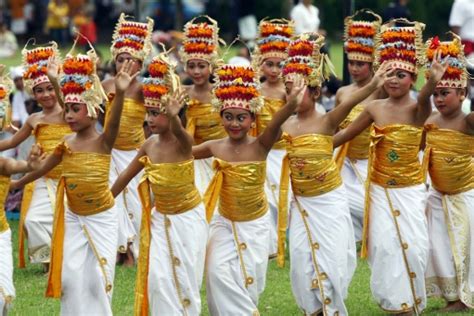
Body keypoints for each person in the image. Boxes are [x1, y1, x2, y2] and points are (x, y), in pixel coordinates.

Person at [333, 19, 444, 314]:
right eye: (389, 74)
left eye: (401, 75)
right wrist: (314, 145)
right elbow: (344, 135)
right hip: (380, 190)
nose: (394, 80)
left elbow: (425, 98)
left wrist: (433, 80)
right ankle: (397, 305)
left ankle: (413, 299)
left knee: (415, 246)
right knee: (384, 248)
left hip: (409, 190)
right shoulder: (374, 108)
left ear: (412, 77)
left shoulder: (418, 109)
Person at [279, 32, 393, 315]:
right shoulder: (284, 125)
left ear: (316, 92)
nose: (292, 95)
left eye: (299, 89)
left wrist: (375, 84)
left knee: (332, 258)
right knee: (303, 258)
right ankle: (314, 308)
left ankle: (331, 304)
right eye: (287, 89)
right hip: (302, 203)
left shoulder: (328, 120)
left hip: (329, 200)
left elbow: (351, 104)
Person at [26, 44, 137, 315]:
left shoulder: (103, 141)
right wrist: (15, 184)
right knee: (71, 278)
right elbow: (73, 107)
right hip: (74, 214)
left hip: (102, 217)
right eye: (68, 110)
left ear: (93, 111)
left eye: (76, 110)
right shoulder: (68, 138)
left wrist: (120, 94)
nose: (69, 115)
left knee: (98, 280)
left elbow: (111, 120)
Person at [193, 61, 304, 315]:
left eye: (241, 118)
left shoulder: (260, 145)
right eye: (229, 117)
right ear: (220, 116)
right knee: (216, 271)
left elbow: (275, 124)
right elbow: (182, 154)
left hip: (255, 225)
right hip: (224, 222)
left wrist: (291, 106)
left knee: (249, 281)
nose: (235, 124)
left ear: (252, 118)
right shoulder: (213, 146)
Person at [112, 53, 208, 315]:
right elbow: (126, 176)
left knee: (186, 280)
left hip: (188, 220)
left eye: (157, 114)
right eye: (149, 113)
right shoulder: (148, 145)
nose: (151, 119)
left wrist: (175, 118)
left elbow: (184, 139)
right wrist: (106, 199)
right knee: (158, 278)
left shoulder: (182, 142)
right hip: (159, 219)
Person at [1, 42, 71, 270]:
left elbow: (66, 101)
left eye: (49, 89)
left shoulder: (68, 113)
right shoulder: (34, 119)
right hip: (44, 177)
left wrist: (55, 80)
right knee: (33, 220)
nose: (46, 94)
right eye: (39, 90)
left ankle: (67, 258)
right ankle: (49, 261)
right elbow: (12, 142)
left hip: (71, 176)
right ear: (33, 93)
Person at [423, 34, 474, 313]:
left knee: (466, 248)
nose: (440, 99)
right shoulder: (429, 121)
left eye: (446, 93)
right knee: (439, 248)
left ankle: (465, 298)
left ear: (463, 94)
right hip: (436, 196)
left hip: (464, 195)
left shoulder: (468, 122)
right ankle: (452, 297)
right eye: (436, 93)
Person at [102, 13, 154, 265]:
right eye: (120, 59)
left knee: (133, 201)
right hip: (107, 152)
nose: (124, 65)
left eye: (130, 60)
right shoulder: (104, 85)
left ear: (140, 64)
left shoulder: (145, 89)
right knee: (111, 199)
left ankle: (133, 251)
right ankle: (117, 250)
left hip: (134, 152)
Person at [334, 10, 383, 243]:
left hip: (370, 160)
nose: (354, 68)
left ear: (373, 63)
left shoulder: (381, 91)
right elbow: (333, 127)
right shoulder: (342, 92)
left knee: (372, 206)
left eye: (360, 64)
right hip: (343, 158)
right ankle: (350, 237)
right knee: (338, 198)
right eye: (351, 62)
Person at [252, 18, 293, 260]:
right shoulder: (256, 90)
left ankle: (282, 239)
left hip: (282, 150)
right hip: (261, 151)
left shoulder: (288, 92)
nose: (275, 70)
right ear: (261, 64)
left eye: (280, 65)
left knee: (283, 198)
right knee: (265, 196)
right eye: (270, 64)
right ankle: (267, 245)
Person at [179, 16, 227, 195]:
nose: (196, 71)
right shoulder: (183, 92)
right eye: (191, 66)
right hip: (195, 156)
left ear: (211, 67)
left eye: (201, 66)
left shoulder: (222, 91)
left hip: (221, 156)